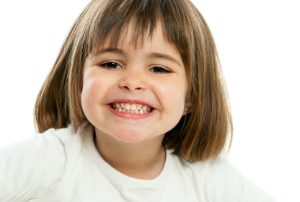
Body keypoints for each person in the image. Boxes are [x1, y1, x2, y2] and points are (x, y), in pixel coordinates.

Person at [0, 0, 275, 201]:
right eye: (110, 64)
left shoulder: (206, 177)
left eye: (159, 69)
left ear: (192, 96)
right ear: (78, 80)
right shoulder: (51, 160)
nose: (132, 81)